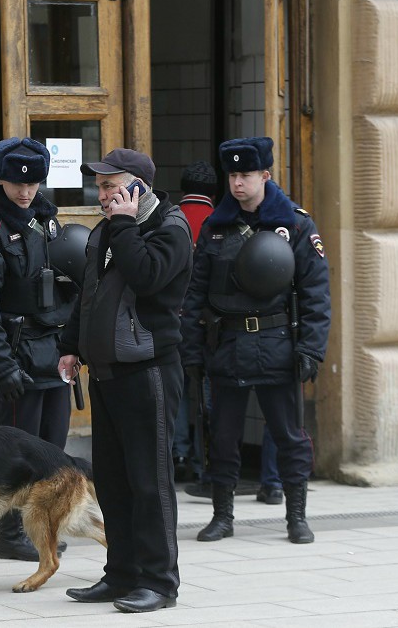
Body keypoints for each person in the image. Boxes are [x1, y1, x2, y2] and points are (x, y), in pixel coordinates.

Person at [58, 148, 192, 613]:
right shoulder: (107, 231)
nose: (101, 195)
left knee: (149, 482)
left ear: (138, 188)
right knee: (113, 483)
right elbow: (89, 295)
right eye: (99, 187)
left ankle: (159, 582)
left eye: (110, 187)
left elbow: (147, 276)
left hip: (149, 372)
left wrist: (125, 224)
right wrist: (71, 346)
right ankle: (121, 575)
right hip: (106, 374)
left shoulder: (170, 227)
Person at [180, 136, 330, 545]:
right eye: (232, 175)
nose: (237, 183)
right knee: (222, 438)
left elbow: (316, 292)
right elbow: (196, 293)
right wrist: (192, 350)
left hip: (278, 345)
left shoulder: (295, 224)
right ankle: (222, 516)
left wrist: (311, 348)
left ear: (265, 175)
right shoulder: (215, 227)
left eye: (245, 174)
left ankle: (296, 516)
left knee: (289, 436)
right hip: (226, 346)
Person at [0, 137, 79, 561]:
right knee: (15, 451)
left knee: (52, 449)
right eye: (16, 184)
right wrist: (0, 366)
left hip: (54, 351)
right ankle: (11, 534)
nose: (25, 192)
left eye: (33, 183)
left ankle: (39, 525)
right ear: (0, 179)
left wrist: (74, 345)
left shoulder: (46, 219)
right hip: (17, 354)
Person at [172, 161, 218, 483]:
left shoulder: (171, 219)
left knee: (176, 392)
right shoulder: (219, 222)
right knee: (205, 393)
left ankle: (178, 453)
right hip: (206, 323)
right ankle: (206, 459)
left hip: (172, 320)